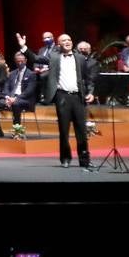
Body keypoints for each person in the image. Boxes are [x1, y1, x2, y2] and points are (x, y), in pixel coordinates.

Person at [42, 34, 94, 168]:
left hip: (78, 97)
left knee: (81, 130)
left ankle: (84, 160)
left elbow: (88, 79)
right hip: (62, 97)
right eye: (64, 40)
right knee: (64, 130)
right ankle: (65, 158)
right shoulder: (54, 57)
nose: (67, 42)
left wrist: (91, 93)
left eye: (69, 40)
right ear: (59, 44)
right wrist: (24, 47)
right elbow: (36, 58)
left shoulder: (80, 58)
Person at [0, 50, 37, 137]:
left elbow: (29, 91)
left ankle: (17, 131)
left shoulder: (31, 74)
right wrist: (7, 97)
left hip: (25, 100)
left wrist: (15, 99)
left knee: (16, 104)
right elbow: (6, 87)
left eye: (22, 61)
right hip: (10, 99)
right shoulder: (12, 74)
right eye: (18, 61)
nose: (20, 63)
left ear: (26, 61)